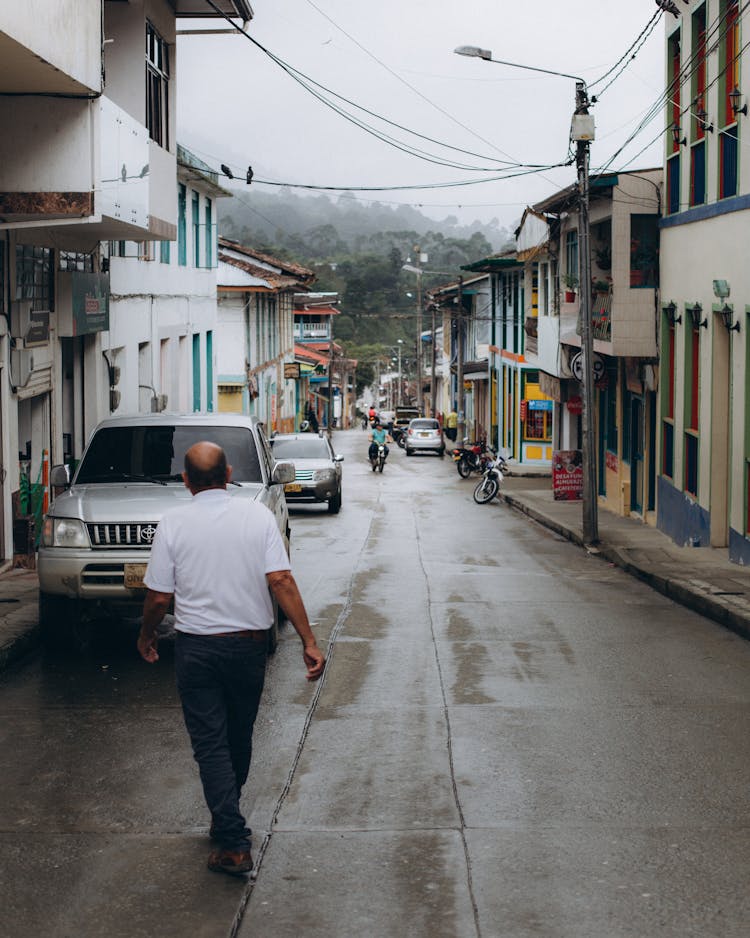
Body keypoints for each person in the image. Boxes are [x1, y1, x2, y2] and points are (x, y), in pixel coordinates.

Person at [137, 442, 326, 877]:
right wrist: (308, 640)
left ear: (186, 481)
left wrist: (147, 635)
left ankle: (233, 840)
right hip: (248, 646)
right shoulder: (257, 515)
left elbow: (159, 597)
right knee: (237, 738)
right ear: (229, 474)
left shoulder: (173, 523)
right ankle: (227, 818)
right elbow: (280, 579)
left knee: (211, 744)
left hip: (198, 649)